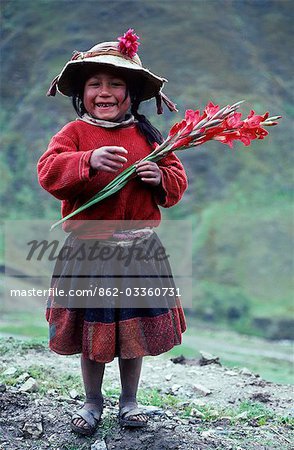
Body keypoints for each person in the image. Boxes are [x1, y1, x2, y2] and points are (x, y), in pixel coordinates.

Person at [37, 29, 188, 436]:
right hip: (89, 251)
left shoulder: (149, 137)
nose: (105, 92)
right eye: (95, 84)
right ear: (81, 93)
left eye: (115, 84)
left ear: (132, 93)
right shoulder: (72, 135)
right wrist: (86, 161)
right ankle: (92, 401)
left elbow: (176, 181)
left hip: (139, 252)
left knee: (131, 330)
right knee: (94, 329)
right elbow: (49, 172)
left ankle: (130, 401)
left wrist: (159, 176)